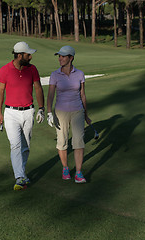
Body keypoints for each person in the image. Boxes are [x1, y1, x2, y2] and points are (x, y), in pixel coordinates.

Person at [0, 42, 45, 191]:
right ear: (19, 55)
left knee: (25, 147)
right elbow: (0, 92)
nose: (30, 57)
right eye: (27, 54)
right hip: (11, 113)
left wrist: (41, 109)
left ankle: (22, 174)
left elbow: (38, 88)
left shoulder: (32, 69)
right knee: (15, 145)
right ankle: (19, 177)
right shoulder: (5, 70)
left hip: (28, 111)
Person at [46, 46, 91, 183]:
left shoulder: (80, 74)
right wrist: (49, 112)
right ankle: (65, 168)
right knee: (62, 141)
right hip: (60, 111)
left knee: (78, 142)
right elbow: (50, 95)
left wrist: (86, 114)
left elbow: (82, 95)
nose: (60, 59)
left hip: (77, 110)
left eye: (63, 56)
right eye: (59, 56)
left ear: (71, 58)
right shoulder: (55, 75)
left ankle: (78, 172)